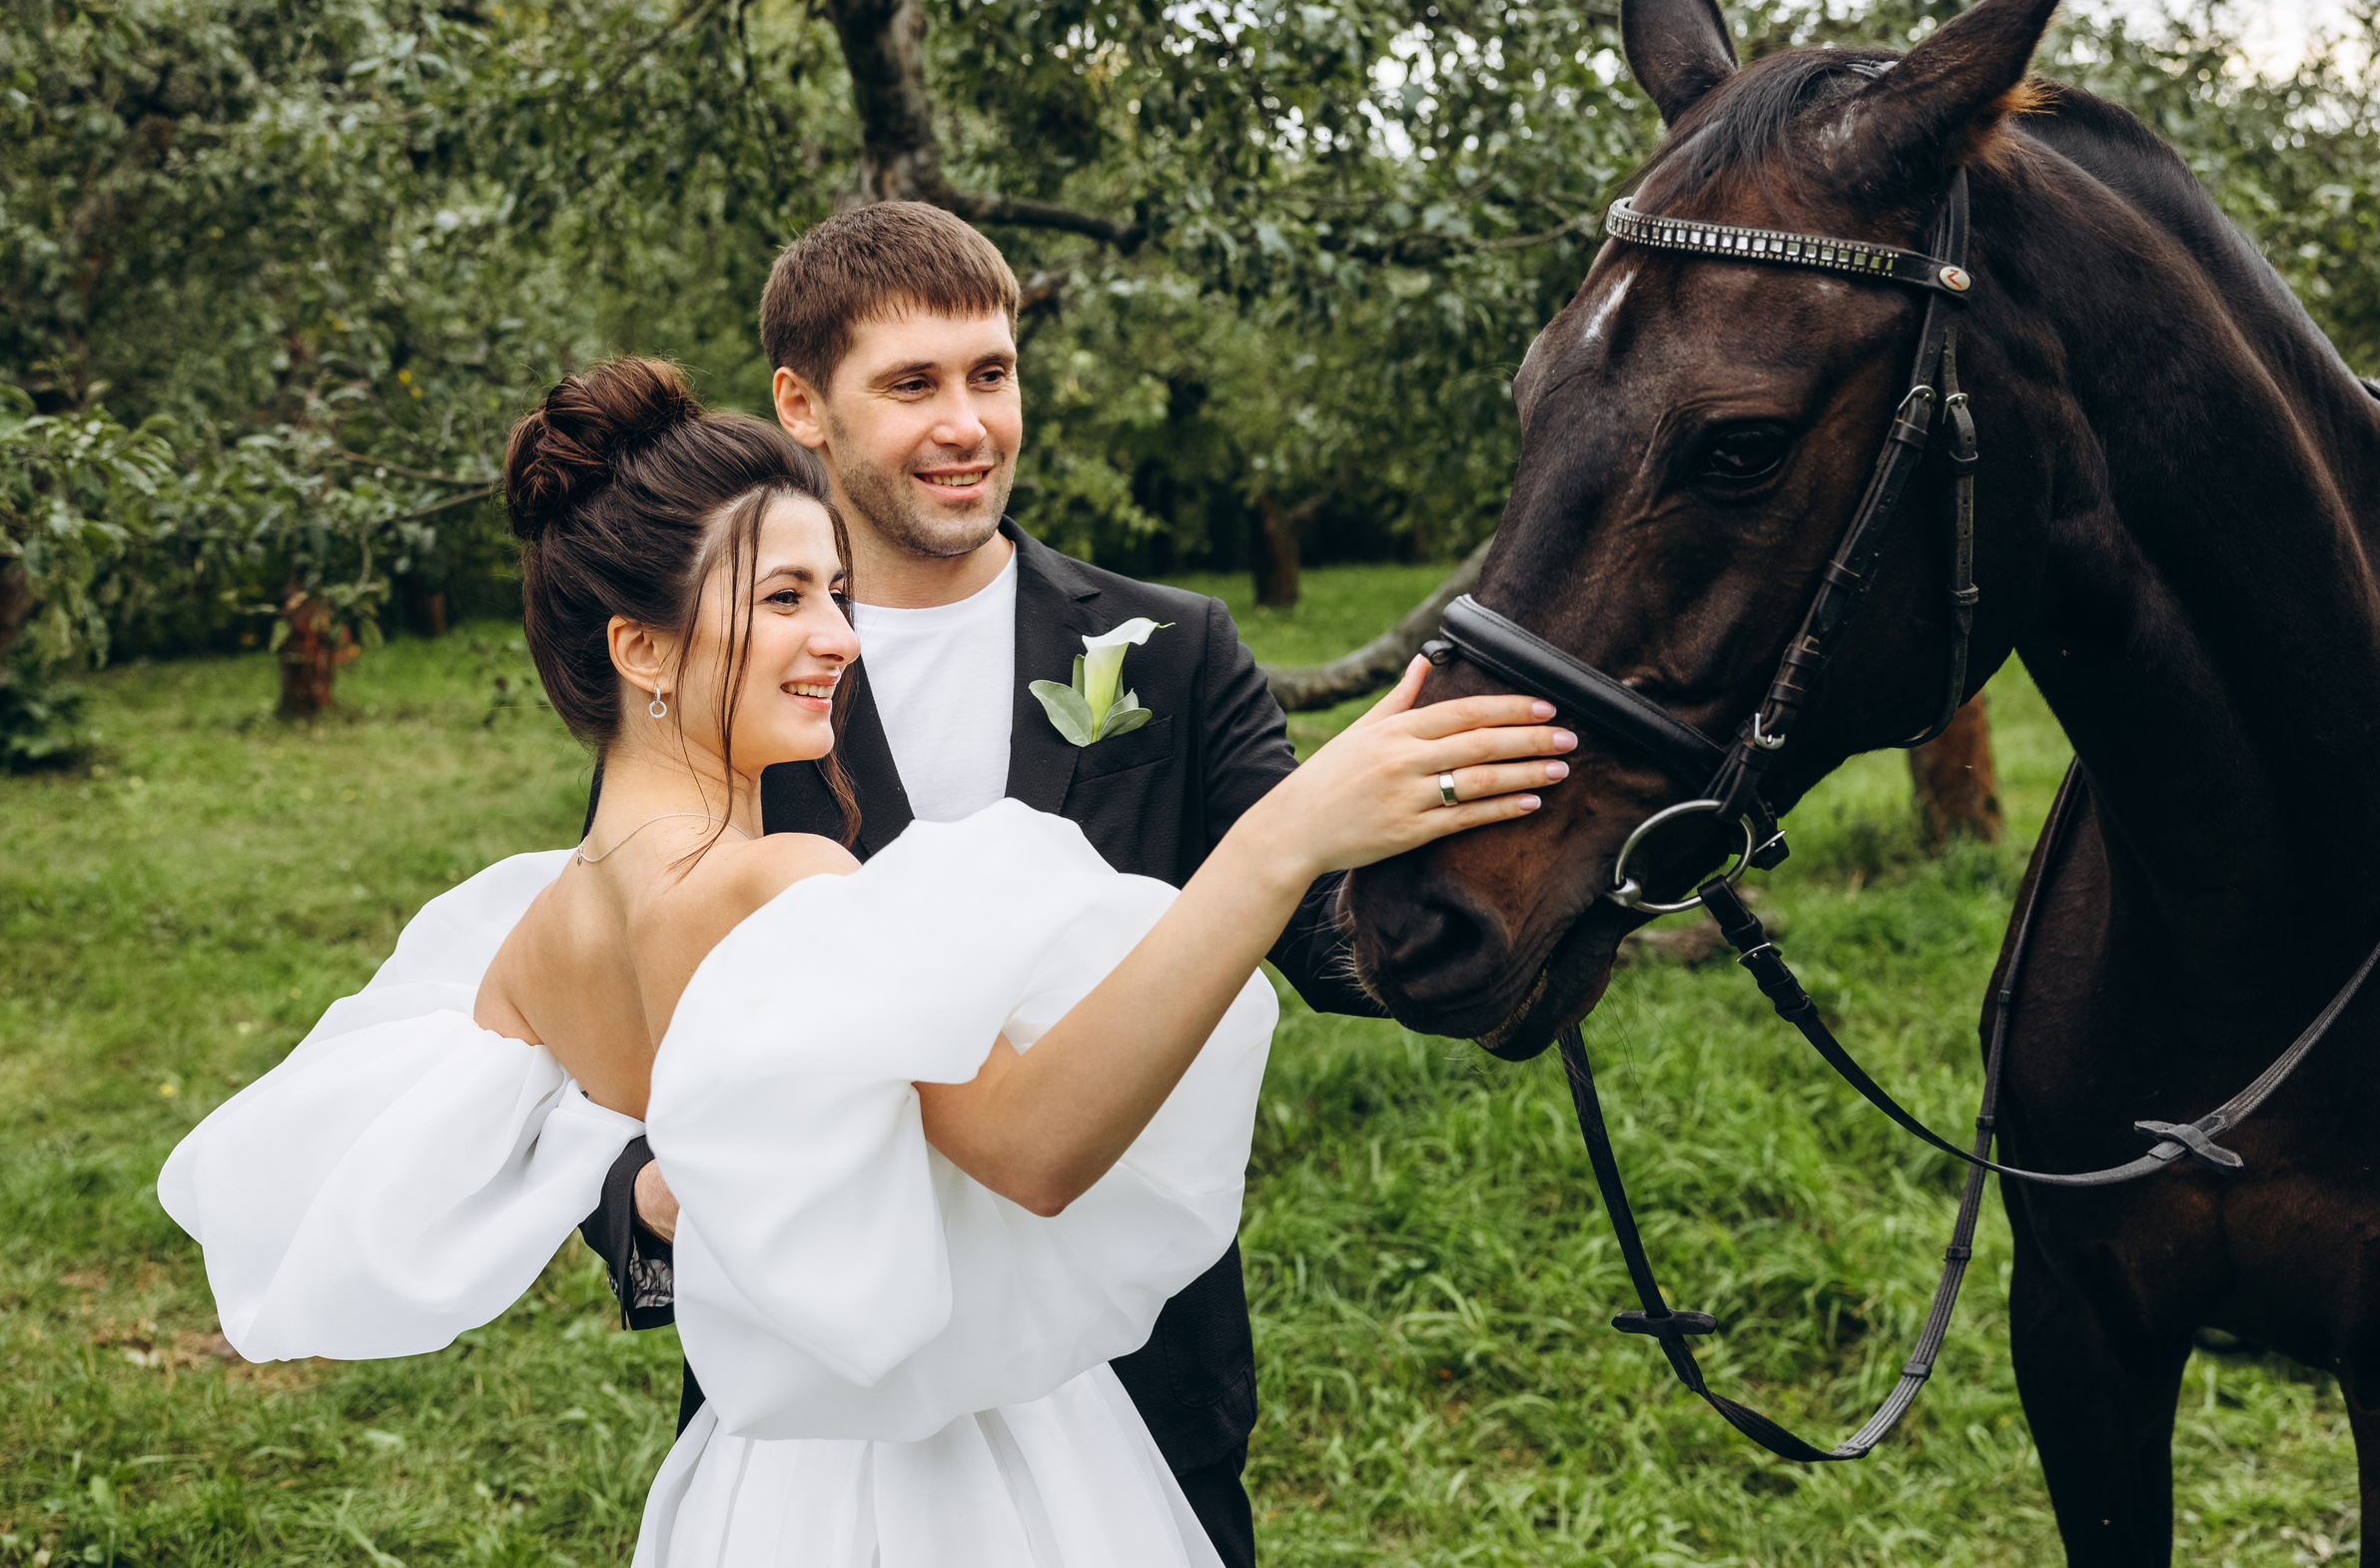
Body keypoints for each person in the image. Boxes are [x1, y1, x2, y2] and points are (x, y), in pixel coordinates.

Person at [158, 358, 1574, 1565]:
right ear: (641, 649)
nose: (838, 637)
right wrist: (1283, 842)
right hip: (946, 1480)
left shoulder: (531, 924)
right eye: (784, 601)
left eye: (833, 592)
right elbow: (1032, 1151)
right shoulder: (777, 877)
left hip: (749, 1480)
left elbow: (548, 1150)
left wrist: (671, 1191)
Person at [575, 203, 1527, 1564]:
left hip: (1134, 1381)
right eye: (912, 385)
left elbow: (1336, 943)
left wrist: (1548, 849)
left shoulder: (1176, 651)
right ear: (804, 405)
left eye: (992, 374)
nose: (968, 424)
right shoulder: (722, 682)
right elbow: (616, 1015)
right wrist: (651, 1207)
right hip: (826, 1407)